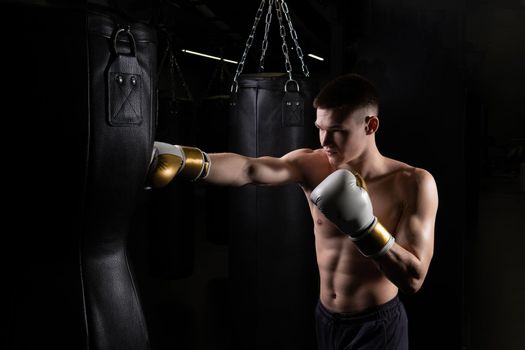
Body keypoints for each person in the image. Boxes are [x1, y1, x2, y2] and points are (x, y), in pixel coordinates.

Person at [147, 73, 438, 350]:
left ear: (370, 125)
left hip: (376, 325)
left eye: (337, 131)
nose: (324, 141)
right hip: (325, 318)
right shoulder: (313, 164)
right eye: (320, 128)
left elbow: (414, 279)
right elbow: (250, 168)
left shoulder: (412, 183)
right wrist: (186, 159)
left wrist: (365, 229)